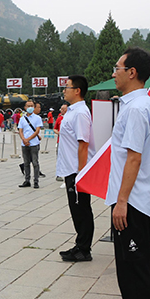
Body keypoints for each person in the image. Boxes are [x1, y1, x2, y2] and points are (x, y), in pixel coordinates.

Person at [106, 47, 150, 299]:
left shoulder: (138, 109)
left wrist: (122, 201)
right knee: (132, 263)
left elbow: (134, 158)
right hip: (136, 199)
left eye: (117, 68)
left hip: (134, 202)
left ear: (132, 72)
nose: (113, 73)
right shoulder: (140, 105)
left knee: (135, 264)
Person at [56, 76, 96, 263]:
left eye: (67, 87)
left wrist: (81, 173)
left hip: (77, 170)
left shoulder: (81, 113)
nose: (64, 90)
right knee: (76, 209)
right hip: (70, 169)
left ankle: (84, 249)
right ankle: (80, 244)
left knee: (82, 210)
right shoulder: (73, 111)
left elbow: (84, 144)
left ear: (77, 90)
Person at [17, 100, 43, 189]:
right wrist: (24, 139)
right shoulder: (22, 119)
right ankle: (27, 180)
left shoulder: (37, 118)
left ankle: (36, 181)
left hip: (34, 143)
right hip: (24, 144)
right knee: (26, 163)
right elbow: (20, 130)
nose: (30, 107)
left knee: (35, 163)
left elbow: (37, 131)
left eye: (32, 106)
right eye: (28, 106)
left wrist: (28, 139)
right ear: (25, 107)